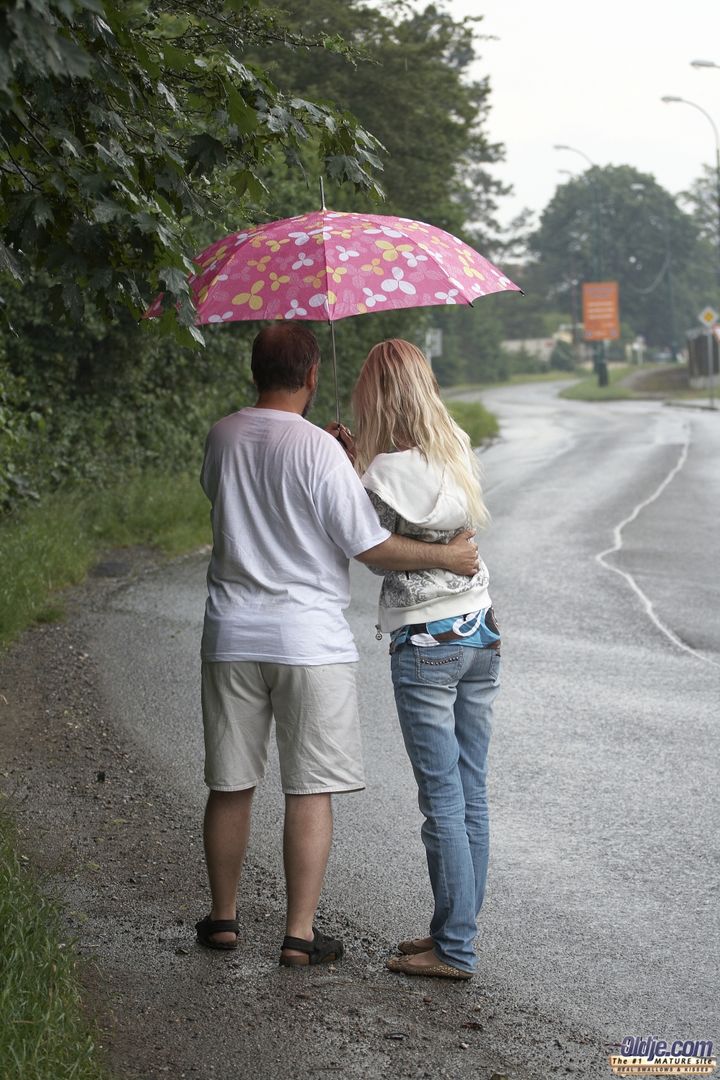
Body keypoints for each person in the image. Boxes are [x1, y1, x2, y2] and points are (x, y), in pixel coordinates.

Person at [196, 322, 480, 967]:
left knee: (231, 782)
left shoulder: (222, 435)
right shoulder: (322, 451)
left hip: (232, 634)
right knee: (309, 788)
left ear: (254, 371)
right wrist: (446, 555)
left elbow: (222, 499)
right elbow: (370, 546)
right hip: (309, 640)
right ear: (314, 375)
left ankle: (222, 919)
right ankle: (299, 934)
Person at [351, 338, 501, 981]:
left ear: (376, 397)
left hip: (426, 643)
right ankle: (453, 930)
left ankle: (456, 948)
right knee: (469, 793)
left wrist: (352, 463)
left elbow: (369, 549)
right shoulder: (458, 446)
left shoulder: (380, 474)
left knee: (442, 797)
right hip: (481, 631)